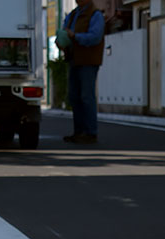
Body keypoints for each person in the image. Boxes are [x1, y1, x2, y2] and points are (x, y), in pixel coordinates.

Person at [62, 0, 105, 144]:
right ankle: (79, 131)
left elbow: (95, 37)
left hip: (88, 60)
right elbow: (65, 32)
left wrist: (75, 37)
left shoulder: (95, 14)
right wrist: (61, 40)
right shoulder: (73, 14)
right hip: (74, 59)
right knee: (74, 96)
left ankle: (90, 132)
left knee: (87, 96)